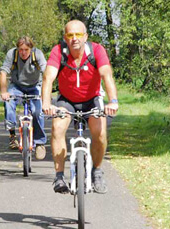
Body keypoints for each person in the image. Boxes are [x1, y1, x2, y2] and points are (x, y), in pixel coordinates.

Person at [42, 20, 118, 194]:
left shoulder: (97, 50)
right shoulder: (58, 52)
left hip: (92, 99)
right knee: (57, 127)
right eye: (70, 35)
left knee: (100, 131)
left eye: (78, 34)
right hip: (67, 100)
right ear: (65, 38)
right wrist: (46, 103)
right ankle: (59, 176)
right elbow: (48, 78)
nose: (74, 38)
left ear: (85, 36)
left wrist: (113, 101)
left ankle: (97, 171)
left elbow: (107, 76)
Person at [0, 36, 47, 160]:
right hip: (17, 86)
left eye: (26, 49)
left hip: (35, 86)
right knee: (8, 103)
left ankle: (40, 143)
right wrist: (4, 91)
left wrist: (45, 94)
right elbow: (3, 72)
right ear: (17, 49)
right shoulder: (12, 54)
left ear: (31, 48)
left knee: (37, 112)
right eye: (21, 49)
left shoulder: (38, 54)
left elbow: (47, 72)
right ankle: (12, 135)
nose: (23, 52)